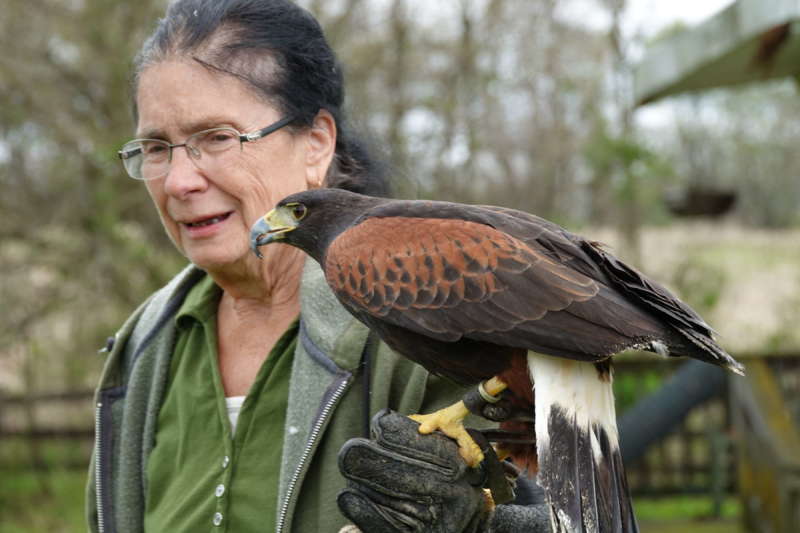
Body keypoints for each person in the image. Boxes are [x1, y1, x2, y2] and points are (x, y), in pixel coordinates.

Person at [86, 1, 550, 531]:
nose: (177, 181)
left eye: (216, 138)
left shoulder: (427, 308)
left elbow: (554, 505)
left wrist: (478, 523)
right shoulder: (139, 346)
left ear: (316, 143)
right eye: (155, 147)